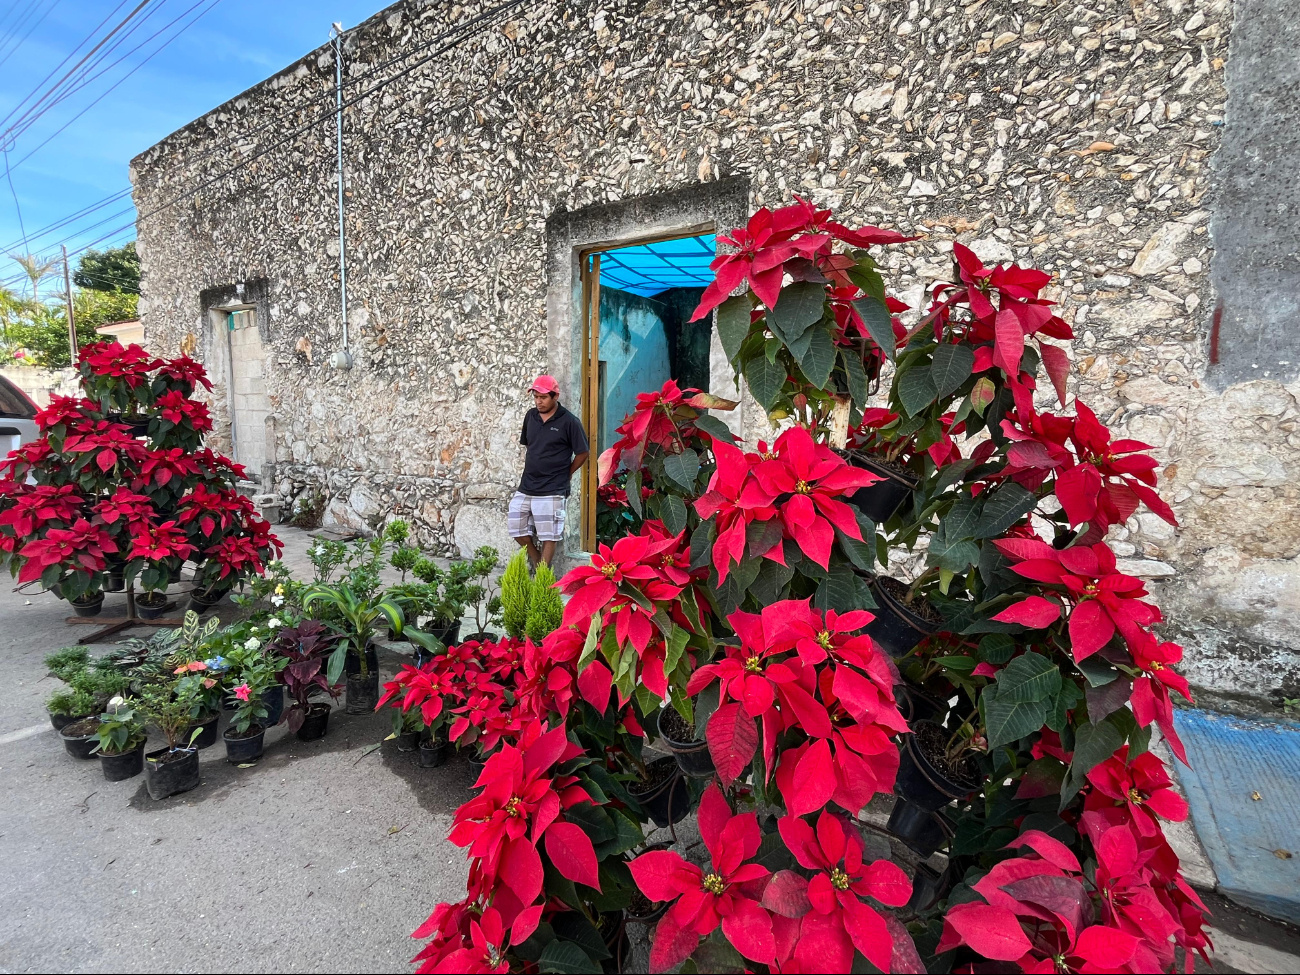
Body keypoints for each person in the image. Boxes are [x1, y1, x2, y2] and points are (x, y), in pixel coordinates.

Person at [509, 375, 589, 568]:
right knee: (516, 527)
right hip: (527, 485)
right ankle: (536, 558)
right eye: (536, 396)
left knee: (549, 535)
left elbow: (583, 452)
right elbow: (530, 445)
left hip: (553, 487)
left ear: (555, 397)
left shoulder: (570, 422)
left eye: (543, 397)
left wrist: (567, 472)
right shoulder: (531, 416)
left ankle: (542, 578)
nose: (538, 401)